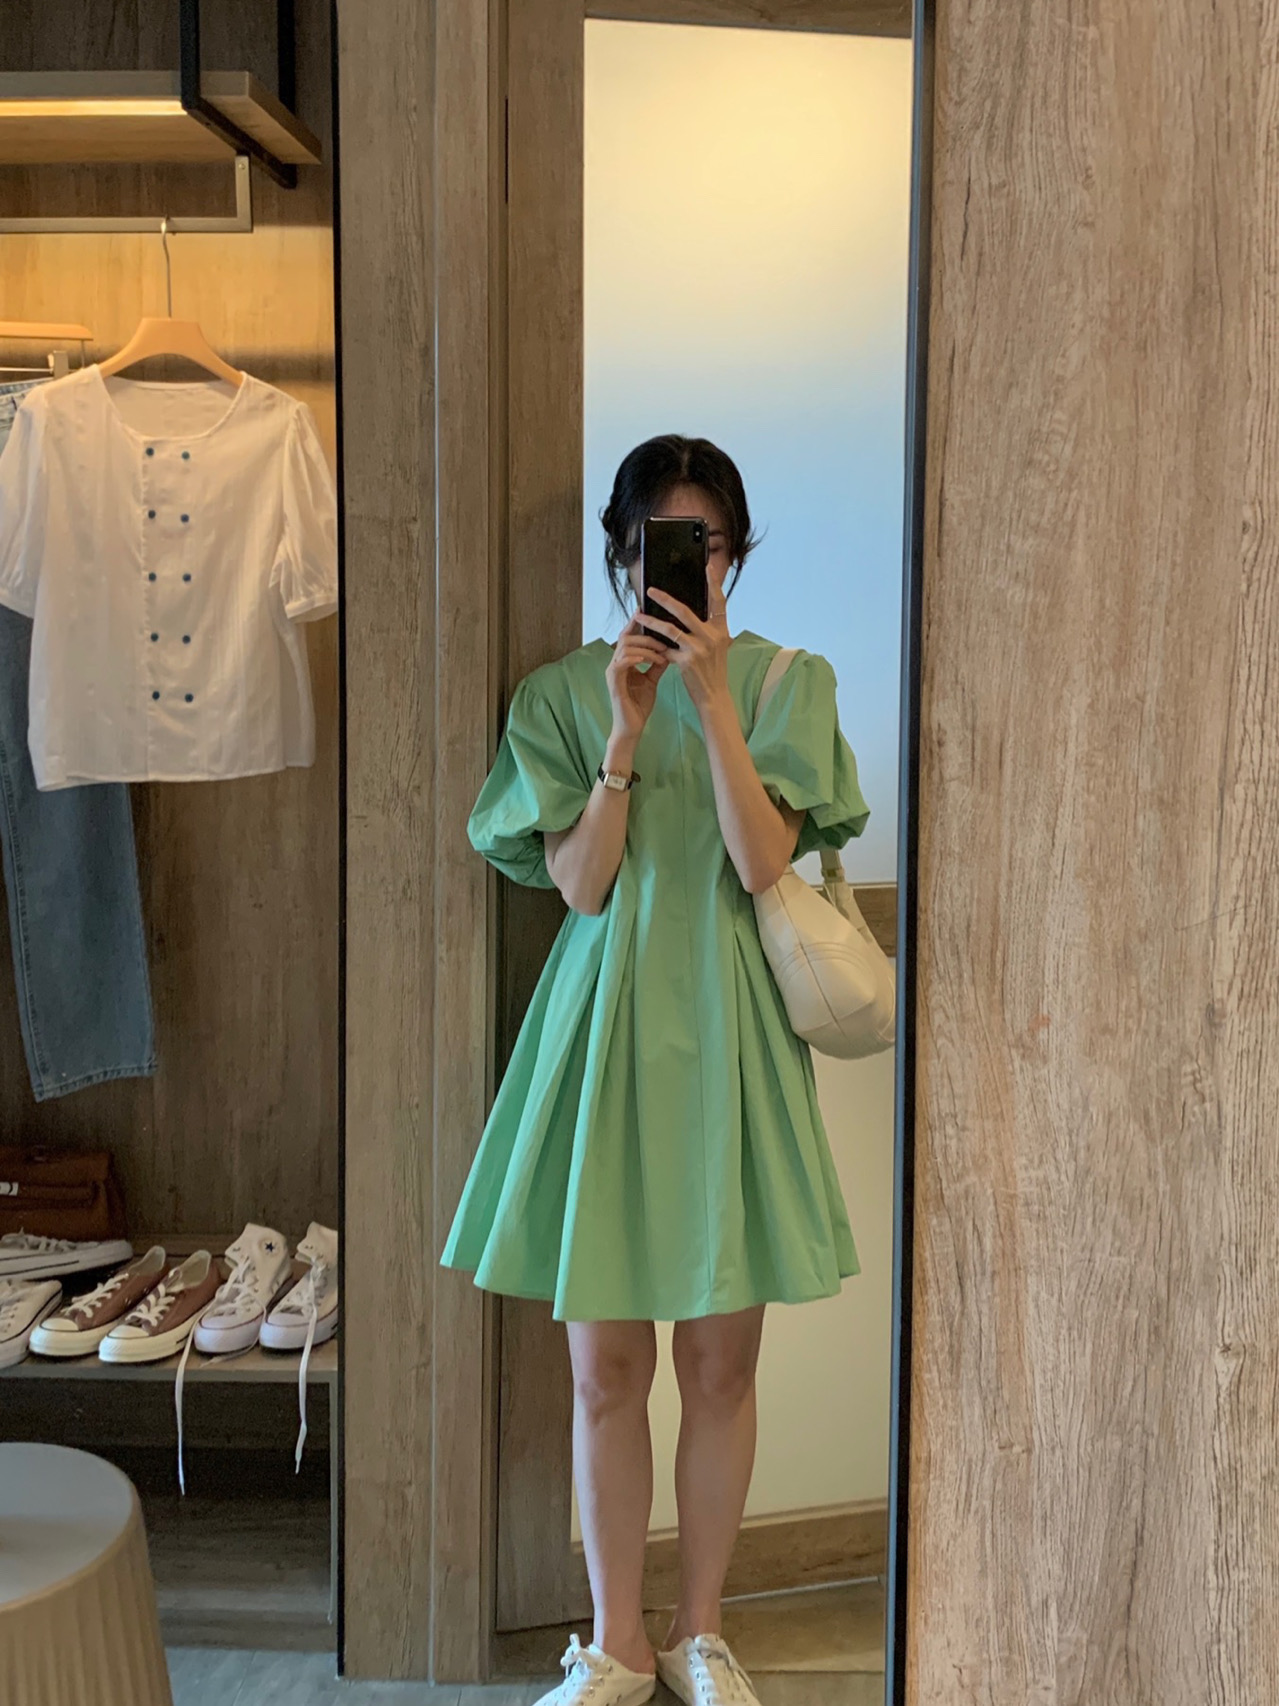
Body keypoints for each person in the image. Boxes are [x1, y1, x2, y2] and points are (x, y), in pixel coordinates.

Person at [441, 434, 869, 1706]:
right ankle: (617, 1642)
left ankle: (700, 1632)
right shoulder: (563, 695)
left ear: (733, 552)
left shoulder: (787, 683)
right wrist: (625, 735)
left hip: (730, 1037)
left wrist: (714, 701)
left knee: (720, 1368)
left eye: (703, 546)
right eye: (651, 548)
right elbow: (579, 887)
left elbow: (760, 863)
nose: (678, 570)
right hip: (605, 1035)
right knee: (604, 1371)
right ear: (619, 554)